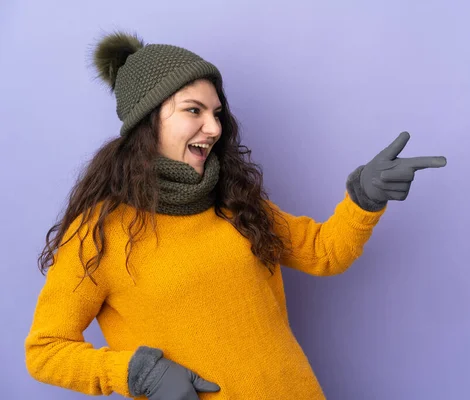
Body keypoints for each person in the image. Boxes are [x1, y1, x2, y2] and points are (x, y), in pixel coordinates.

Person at [24, 31, 447, 400]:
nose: (213, 127)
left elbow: (325, 252)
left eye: (217, 113)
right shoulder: (100, 233)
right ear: (146, 122)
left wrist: (363, 199)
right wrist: (136, 373)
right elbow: (46, 350)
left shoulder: (234, 204)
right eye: (194, 110)